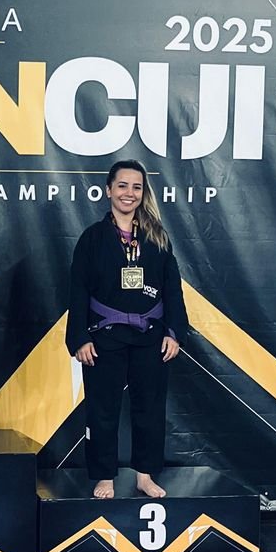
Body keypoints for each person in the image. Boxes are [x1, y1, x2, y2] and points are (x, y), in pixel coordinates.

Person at [66, 159, 188, 500]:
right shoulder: (92, 238)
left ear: (143, 193)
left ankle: (144, 476)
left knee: (150, 408)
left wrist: (174, 332)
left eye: (136, 187)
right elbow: (78, 290)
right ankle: (104, 476)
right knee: (102, 409)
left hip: (150, 335)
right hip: (104, 335)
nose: (129, 193)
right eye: (122, 185)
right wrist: (80, 337)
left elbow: (172, 288)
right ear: (108, 190)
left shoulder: (157, 237)